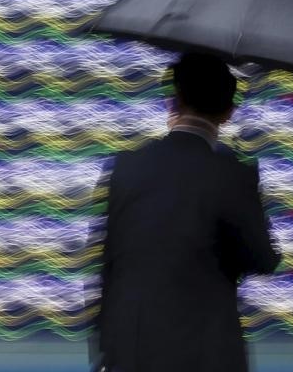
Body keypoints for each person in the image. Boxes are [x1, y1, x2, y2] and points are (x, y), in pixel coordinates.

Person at [89, 52, 281, 372]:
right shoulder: (233, 174)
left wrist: (108, 352)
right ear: (228, 112)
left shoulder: (126, 166)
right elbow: (262, 259)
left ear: (173, 102)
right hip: (205, 354)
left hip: (130, 352)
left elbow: (106, 265)